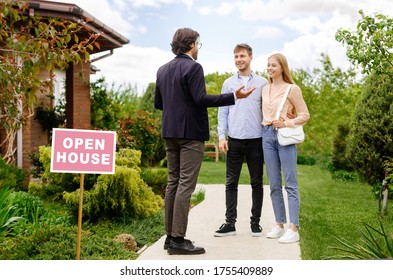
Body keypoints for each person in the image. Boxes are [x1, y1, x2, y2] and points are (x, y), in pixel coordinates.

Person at [154, 28, 255, 255]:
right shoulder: (193, 67)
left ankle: (169, 238)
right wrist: (233, 96)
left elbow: (159, 103)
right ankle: (178, 239)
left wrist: (178, 108)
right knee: (185, 185)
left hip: (170, 133)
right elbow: (200, 99)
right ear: (191, 44)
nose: (198, 48)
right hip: (190, 136)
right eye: (198, 44)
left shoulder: (162, 69)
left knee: (173, 183)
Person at [214, 44, 267, 238]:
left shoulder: (263, 83)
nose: (239, 59)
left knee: (257, 182)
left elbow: (267, 109)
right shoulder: (228, 83)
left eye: (242, 56)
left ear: (251, 57)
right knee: (231, 182)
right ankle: (230, 224)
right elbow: (223, 111)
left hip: (256, 139)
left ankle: (255, 223)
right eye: (236, 56)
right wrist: (221, 136)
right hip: (234, 140)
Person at [261, 53, 310, 243]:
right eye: (268, 65)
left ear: (282, 67)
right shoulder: (265, 89)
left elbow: (305, 115)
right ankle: (279, 224)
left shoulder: (292, 89)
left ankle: (294, 228)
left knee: (290, 183)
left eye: (273, 65)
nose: (270, 68)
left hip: (284, 137)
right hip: (267, 136)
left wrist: (288, 122)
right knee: (274, 184)